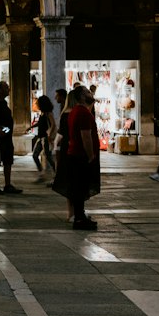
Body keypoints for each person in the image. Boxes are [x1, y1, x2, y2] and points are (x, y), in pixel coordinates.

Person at [53, 85, 99, 230]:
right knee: (80, 187)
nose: (89, 93)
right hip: (81, 155)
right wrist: (91, 155)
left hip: (74, 154)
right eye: (87, 92)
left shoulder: (76, 111)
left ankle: (80, 215)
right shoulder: (82, 113)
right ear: (81, 97)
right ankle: (79, 218)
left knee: (79, 186)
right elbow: (86, 136)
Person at [0, 81, 22, 196]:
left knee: (8, 161)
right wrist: (2, 130)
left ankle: (7, 184)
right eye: (6, 88)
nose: (8, 89)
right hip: (0, 137)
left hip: (7, 138)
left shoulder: (3, 103)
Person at [30, 94, 56, 182]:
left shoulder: (48, 113)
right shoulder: (43, 113)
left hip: (45, 138)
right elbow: (41, 123)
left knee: (48, 156)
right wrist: (31, 127)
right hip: (40, 137)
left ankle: (56, 174)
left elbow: (53, 124)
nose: (37, 105)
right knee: (35, 155)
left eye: (38, 104)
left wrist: (49, 134)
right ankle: (42, 173)